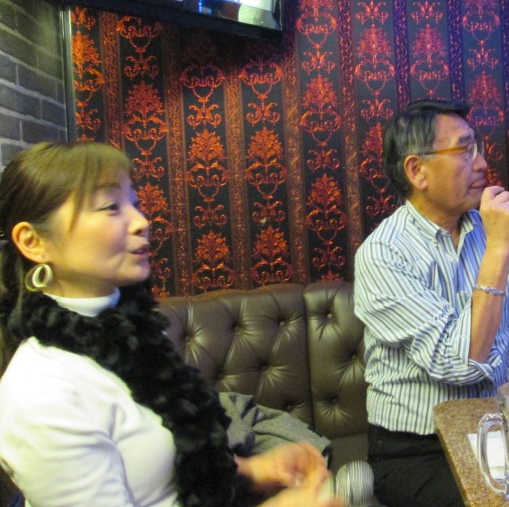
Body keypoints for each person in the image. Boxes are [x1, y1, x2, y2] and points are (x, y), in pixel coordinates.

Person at [0, 141, 339, 507]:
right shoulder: (42, 391)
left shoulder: (134, 332)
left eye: (134, 203)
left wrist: (253, 471)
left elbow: (167, 468)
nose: (141, 222)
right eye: (111, 207)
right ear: (33, 242)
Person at [354, 98, 509, 507]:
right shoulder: (384, 253)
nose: (482, 164)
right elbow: (459, 363)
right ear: (417, 171)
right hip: (419, 450)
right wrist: (499, 249)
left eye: (479, 148)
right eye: (465, 150)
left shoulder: (490, 231)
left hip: (499, 429)